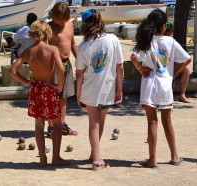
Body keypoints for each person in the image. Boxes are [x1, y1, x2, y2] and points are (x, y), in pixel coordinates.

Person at [131, 9, 191, 168]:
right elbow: (187, 59)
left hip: (149, 84)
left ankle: (152, 159)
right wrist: (175, 73)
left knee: (152, 122)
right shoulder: (170, 41)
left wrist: (140, 69)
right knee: (167, 122)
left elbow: (133, 58)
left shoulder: (145, 41)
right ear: (164, 26)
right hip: (165, 85)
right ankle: (174, 156)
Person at [9, 20, 68, 167]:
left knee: (39, 125)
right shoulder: (52, 49)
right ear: (47, 33)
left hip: (35, 88)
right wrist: (60, 85)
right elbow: (61, 69)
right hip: (48, 88)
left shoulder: (28, 52)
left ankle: (42, 159)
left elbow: (12, 70)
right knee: (56, 123)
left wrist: (27, 82)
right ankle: (56, 157)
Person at [76, 9, 123, 171]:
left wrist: (78, 93)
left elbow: (80, 73)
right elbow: (119, 67)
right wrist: (119, 90)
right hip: (108, 89)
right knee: (100, 123)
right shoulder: (113, 39)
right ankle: (95, 155)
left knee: (94, 124)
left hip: (90, 89)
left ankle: (96, 158)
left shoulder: (83, 46)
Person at [47, 2, 78, 137]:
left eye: (63, 19)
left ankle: (62, 124)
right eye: (58, 19)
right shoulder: (48, 28)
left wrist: (79, 59)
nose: (60, 22)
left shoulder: (70, 25)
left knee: (63, 97)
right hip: (53, 66)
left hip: (67, 65)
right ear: (53, 16)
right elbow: (44, 47)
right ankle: (51, 126)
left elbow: (72, 43)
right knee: (52, 97)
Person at [164, 21, 191, 103]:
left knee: (186, 69)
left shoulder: (171, 41)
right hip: (161, 67)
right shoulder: (155, 40)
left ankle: (182, 94)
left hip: (168, 65)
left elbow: (186, 59)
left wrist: (176, 71)